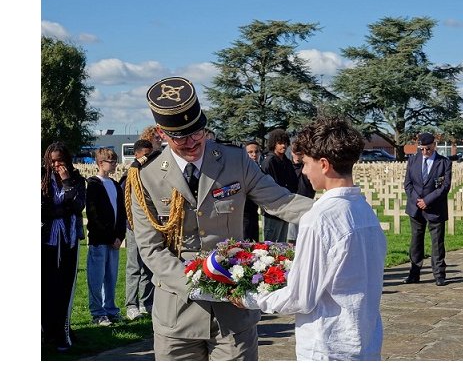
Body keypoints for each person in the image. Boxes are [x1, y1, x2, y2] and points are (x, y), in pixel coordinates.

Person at [128, 76, 314, 360]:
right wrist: (200, 283)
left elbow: (280, 200)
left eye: (197, 132)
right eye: (180, 136)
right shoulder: (145, 177)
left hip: (234, 313)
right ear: (162, 134)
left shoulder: (235, 160)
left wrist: (335, 210)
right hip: (177, 316)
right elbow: (151, 248)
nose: (192, 143)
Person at [234, 117, 387, 360]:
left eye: (306, 163)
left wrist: (249, 299)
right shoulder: (364, 210)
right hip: (364, 341)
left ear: (324, 164)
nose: (304, 171)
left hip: (327, 345)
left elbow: (300, 297)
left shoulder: (320, 218)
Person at [41, 142, 86, 352]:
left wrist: (67, 182)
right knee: (45, 287)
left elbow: (77, 205)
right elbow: (43, 208)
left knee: (64, 288)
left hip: (68, 241)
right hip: (45, 241)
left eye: (60, 160)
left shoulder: (76, 179)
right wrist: (60, 210)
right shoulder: (41, 178)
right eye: (53, 160)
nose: (57, 164)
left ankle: (62, 332)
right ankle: (44, 331)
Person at [403, 132, 452, 286]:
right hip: (416, 208)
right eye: (422, 149)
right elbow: (408, 184)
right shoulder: (413, 160)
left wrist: (427, 200)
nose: (425, 152)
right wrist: (418, 200)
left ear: (434, 145)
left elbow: (445, 186)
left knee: (437, 242)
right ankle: (414, 273)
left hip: (435, 208)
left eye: (428, 149)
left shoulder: (444, 163)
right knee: (416, 242)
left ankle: (439, 274)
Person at [86, 147, 127, 326]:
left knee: (111, 277)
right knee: (96, 277)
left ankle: (110, 309)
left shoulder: (116, 185)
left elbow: (121, 212)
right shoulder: (93, 184)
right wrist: (110, 236)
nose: (114, 164)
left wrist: (119, 235)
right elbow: (94, 214)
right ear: (101, 163)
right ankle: (97, 312)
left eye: (115, 161)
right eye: (111, 161)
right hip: (99, 239)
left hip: (114, 241)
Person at [120, 139, 155, 320]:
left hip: (150, 227)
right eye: (145, 155)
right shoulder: (130, 176)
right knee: (134, 266)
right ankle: (131, 304)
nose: (148, 159)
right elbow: (125, 203)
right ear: (137, 155)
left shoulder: (153, 175)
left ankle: (146, 302)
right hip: (134, 227)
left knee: (150, 266)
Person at [261, 128, 298, 242]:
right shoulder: (269, 162)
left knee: (282, 243)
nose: (284, 146)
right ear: (274, 144)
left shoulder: (286, 162)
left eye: (286, 143)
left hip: (286, 207)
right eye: (280, 143)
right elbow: (268, 186)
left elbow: (293, 182)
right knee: (271, 243)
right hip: (273, 209)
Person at [286, 141, 316, 244]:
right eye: (296, 153)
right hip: (292, 200)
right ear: (292, 153)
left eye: (300, 154)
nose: (298, 157)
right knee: (292, 233)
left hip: (306, 198)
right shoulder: (288, 165)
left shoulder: (306, 166)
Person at [243, 140, 262, 241]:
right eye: (250, 152)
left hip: (254, 212)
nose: (254, 154)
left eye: (256, 151)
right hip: (243, 214)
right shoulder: (240, 170)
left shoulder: (260, 169)